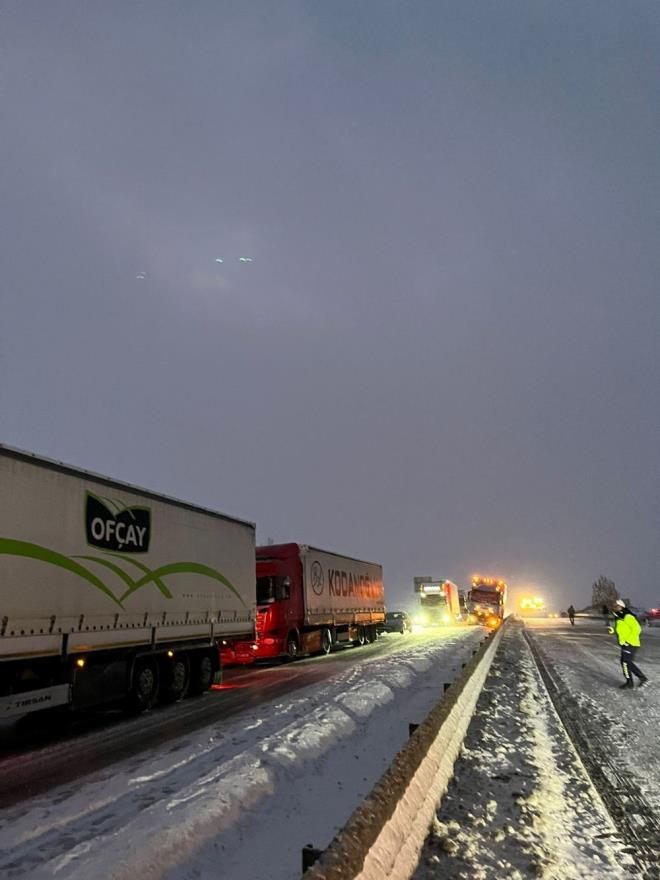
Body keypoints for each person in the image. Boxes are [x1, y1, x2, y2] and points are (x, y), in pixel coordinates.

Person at [608, 599, 649, 689]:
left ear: (621, 607)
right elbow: (619, 628)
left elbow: (637, 629)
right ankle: (639, 679)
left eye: (616, 606)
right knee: (625, 662)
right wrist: (612, 630)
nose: (614, 608)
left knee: (625, 662)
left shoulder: (627, 616)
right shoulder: (619, 617)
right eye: (614, 606)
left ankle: (632, 682)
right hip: (625, 643)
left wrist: (628, 641)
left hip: (631, 643)